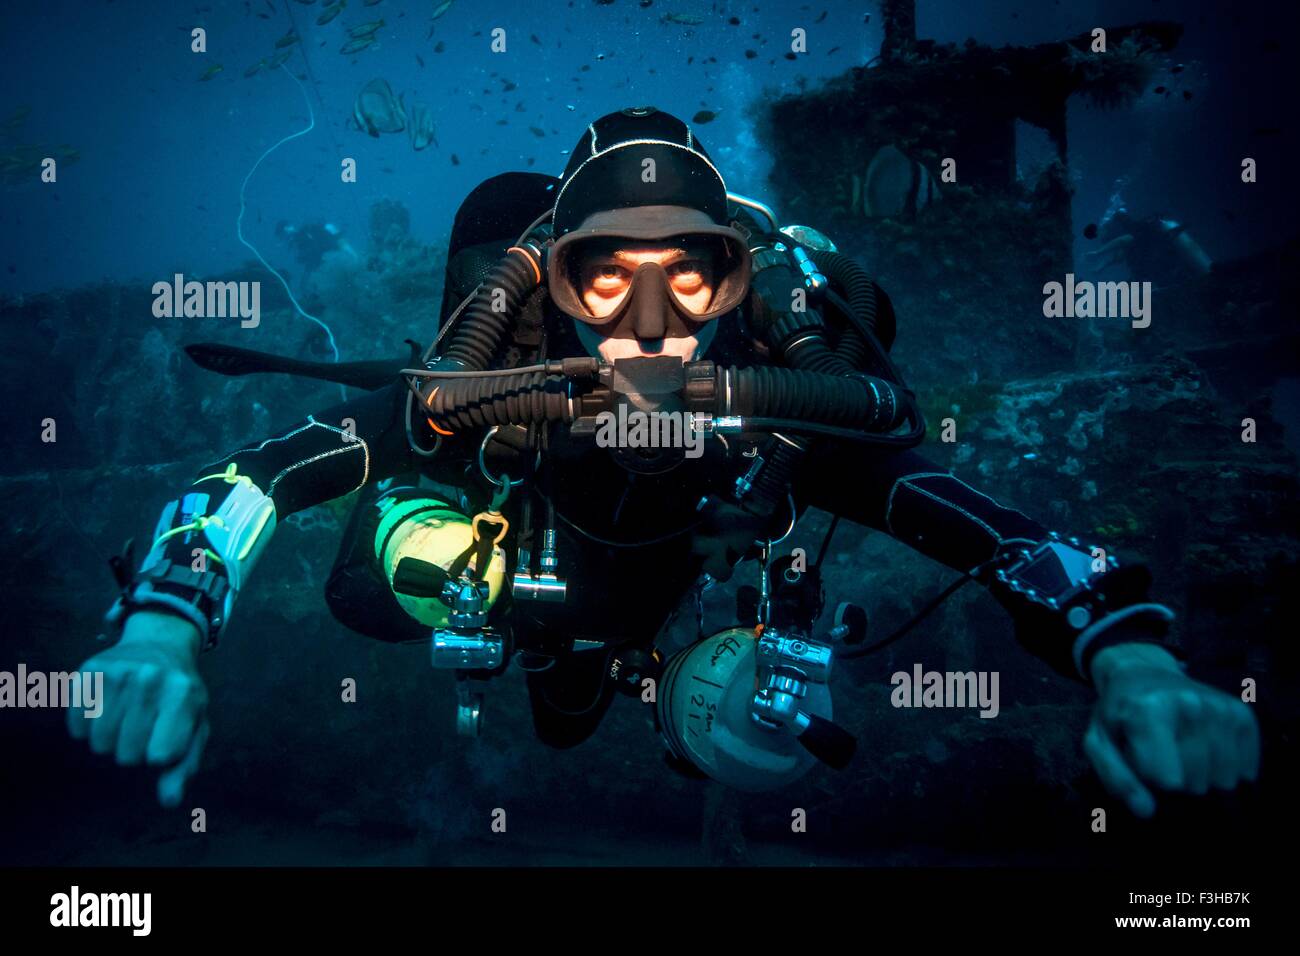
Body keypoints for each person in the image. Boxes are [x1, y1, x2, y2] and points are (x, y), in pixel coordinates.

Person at [68, 108, 1258, 815]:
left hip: (657, 596)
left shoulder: (777, 404)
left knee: (605, 706)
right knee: (510, 675)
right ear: (552, 282)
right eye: (605, 277)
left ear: (736, 276)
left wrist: (1132, 656)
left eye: (688, 273)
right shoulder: (493, 387)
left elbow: (985, 524)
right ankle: (544, 643)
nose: (651, 319)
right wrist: (164, 625)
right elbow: (261, 473)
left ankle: (614, 673)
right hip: (523, 576)